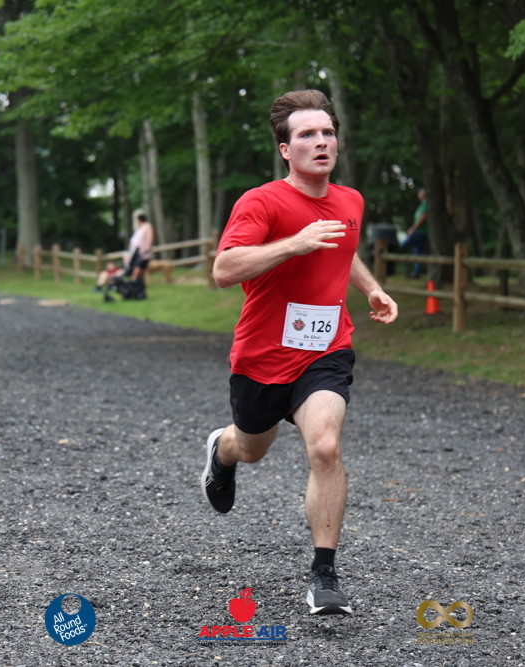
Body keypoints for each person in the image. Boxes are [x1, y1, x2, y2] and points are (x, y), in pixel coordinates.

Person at [200, 89, 398, 617]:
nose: (321, 141)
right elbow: (224, 269)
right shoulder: (262, 202)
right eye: (307, 134)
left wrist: (372, 289)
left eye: (328, 132)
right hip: (264, 355)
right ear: (286, 150)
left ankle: (324, 576)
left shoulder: (351, 200)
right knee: (251, 447)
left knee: (325, 447)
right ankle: (222, 450)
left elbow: (344, 249)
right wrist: (294, 243)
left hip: (326, 349)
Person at [122, 210, 154, 299]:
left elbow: (149, 239)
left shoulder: (147, 226)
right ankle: (136, 292)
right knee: (134, 273)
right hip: (135, 255)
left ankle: (140, 292)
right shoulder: (138, 229)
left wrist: (146, 249)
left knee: (138, 272)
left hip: (143, 254)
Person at [401, 187, 428, 278]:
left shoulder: (425, 204)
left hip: (420, 232)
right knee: (418, 252)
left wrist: (412, 229)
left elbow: (422, 219)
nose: (418, 194)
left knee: (403, 244)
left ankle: (415, 270)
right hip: (418, 231)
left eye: (420, 193)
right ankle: (416, 272)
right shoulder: (421, 205)